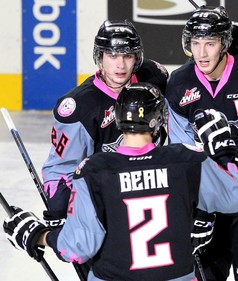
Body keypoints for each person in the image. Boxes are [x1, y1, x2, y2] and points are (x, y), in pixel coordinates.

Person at [3, 82, 238, 281]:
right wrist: (224, 155)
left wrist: (38, 235)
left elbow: (77, 247)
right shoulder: (187, 161)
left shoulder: (93, 171)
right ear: (158, 121)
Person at [40, 19, 168, 279]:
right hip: (106, 209)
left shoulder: (154, 78)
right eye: (112, 55)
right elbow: (60, 169)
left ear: (137, 58)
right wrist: (59, 210)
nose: (120, 65)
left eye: (127, 55)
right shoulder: (80, 107)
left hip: (153, 199)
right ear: (100, 57)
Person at [165, 5, 238, 281]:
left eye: (209, 43)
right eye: (195, 43)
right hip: (207, 206)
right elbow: (182, 152)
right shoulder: (178, 84)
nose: (201, 53)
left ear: (224, 43)